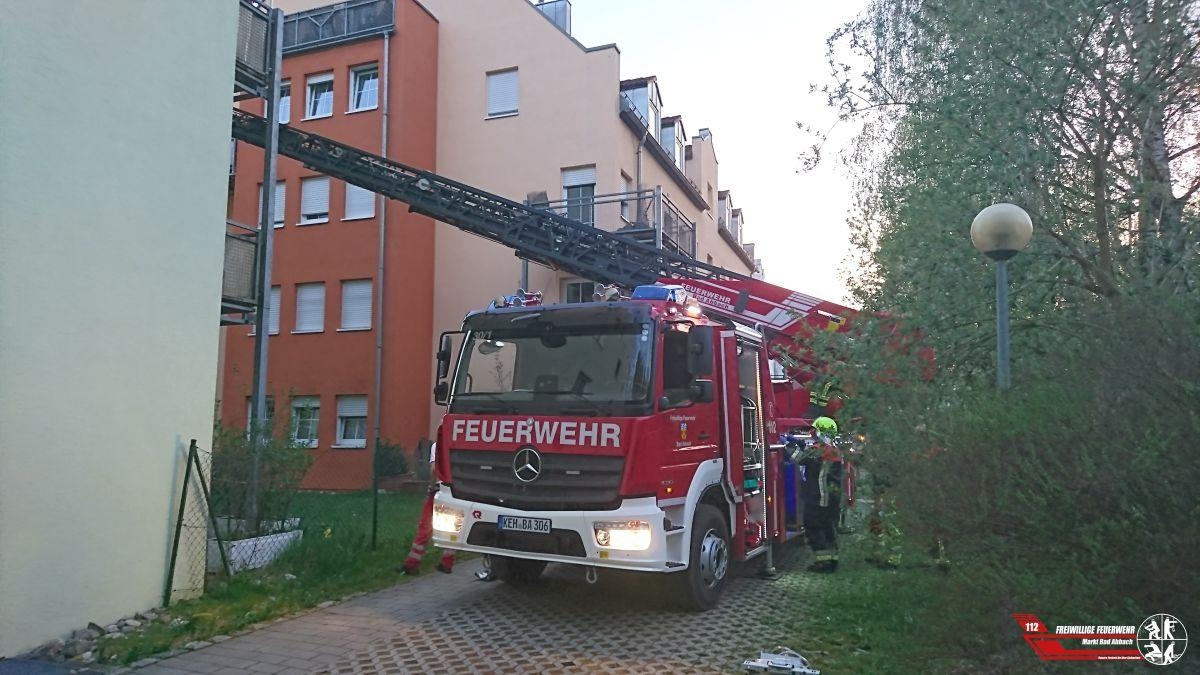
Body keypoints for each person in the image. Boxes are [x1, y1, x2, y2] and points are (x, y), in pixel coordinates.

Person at [397, 443, 455, 575]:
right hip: (456, 491)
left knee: (425, 525)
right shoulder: (459, 443)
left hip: (439, 490)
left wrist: (431, 487)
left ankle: (412, 564)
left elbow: (434, 470)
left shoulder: (437, 445)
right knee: (451, 526)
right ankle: (447, 562)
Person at [798, 415, 843, 572]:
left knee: (813, 527)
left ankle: (823, 563)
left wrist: (788, 444)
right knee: (829, 529)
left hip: (819, 499)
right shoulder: (833, 450)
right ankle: (832, 561)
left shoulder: (820, 450)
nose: (812, 434)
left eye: (814, 431)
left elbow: (798, 458)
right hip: (831, 500)